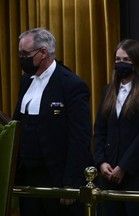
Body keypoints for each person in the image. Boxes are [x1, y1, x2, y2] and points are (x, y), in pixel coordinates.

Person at [13, 28, 93, 216]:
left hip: (56, 178)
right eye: (20, 53)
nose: (21, 58)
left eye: (25, 54)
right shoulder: (26, 81)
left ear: (43, 53)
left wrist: (71, 183)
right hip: (28, 178)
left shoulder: (71, 85)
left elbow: (80, 137)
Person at [93, 39, 139, 216]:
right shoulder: (108, 91)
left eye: (126, 60)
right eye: (117, 59)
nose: (120, 64)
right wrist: (101, 162)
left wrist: (123, 166)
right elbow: (100, 130)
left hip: (136, 173)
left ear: (136, 62)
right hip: (108, 173)